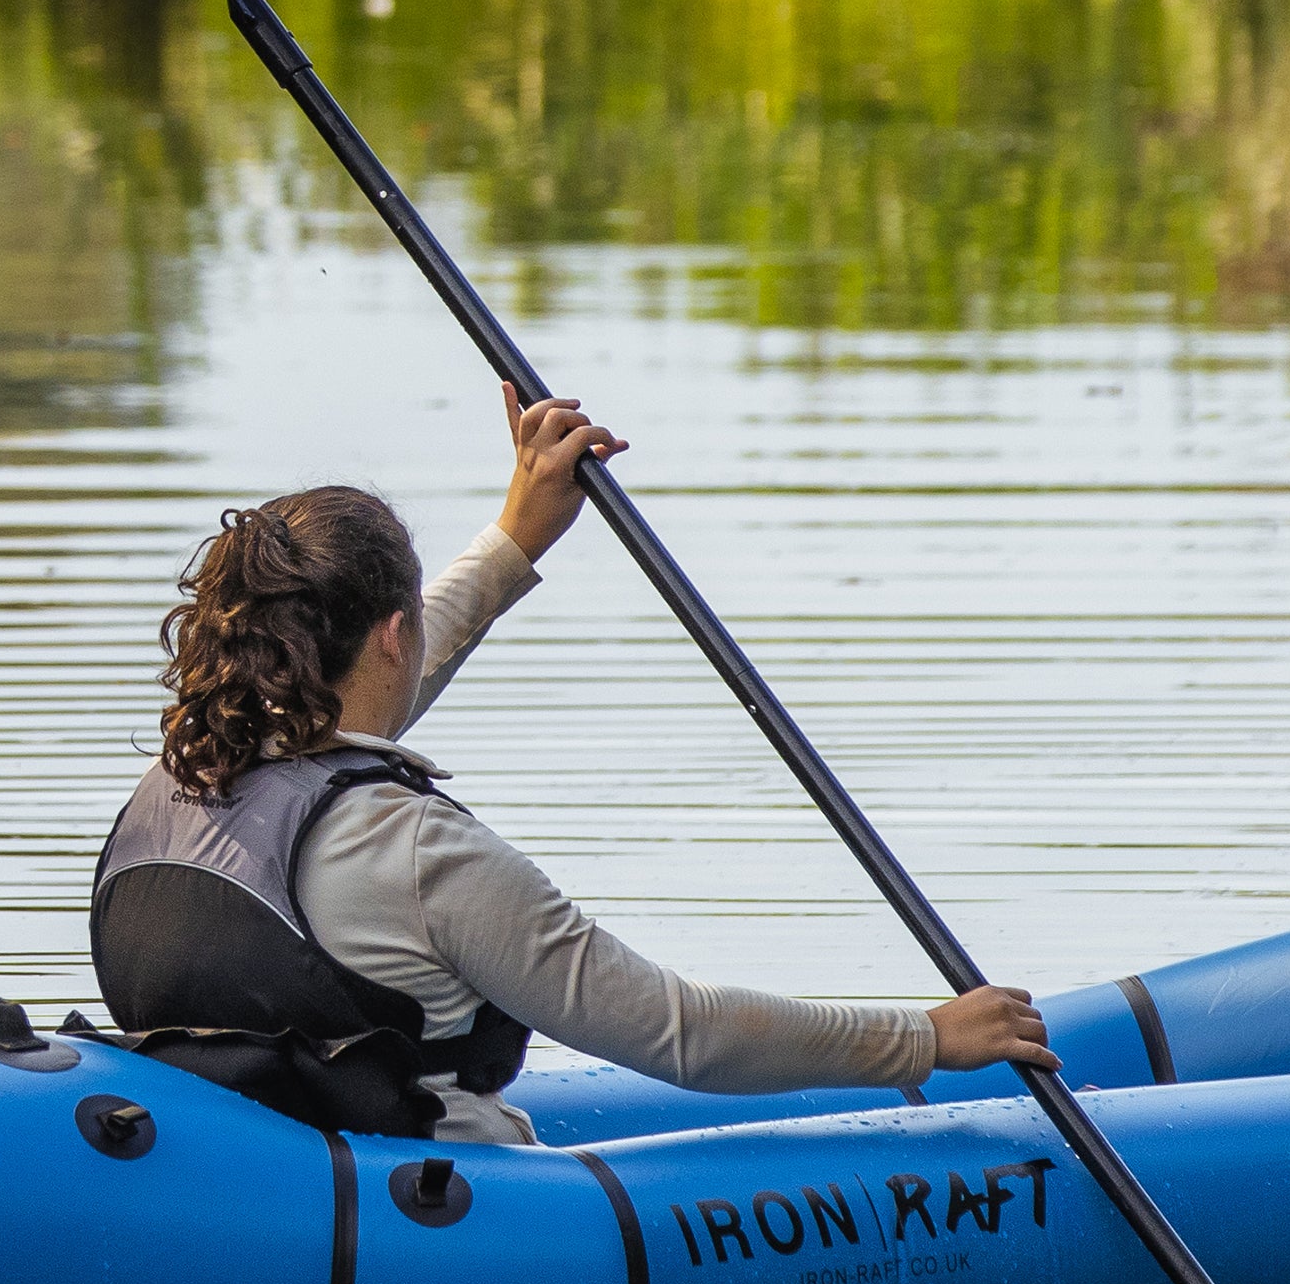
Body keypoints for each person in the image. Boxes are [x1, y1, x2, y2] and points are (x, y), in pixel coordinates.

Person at [90, 385, 1051, 1143]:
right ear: (391, 636)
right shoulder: (417, 854)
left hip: (246, 1175)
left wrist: (515, 540)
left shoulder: (188, 775)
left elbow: (360, 697)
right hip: (444, 1218)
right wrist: (926, 1038)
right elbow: (679, 1031)